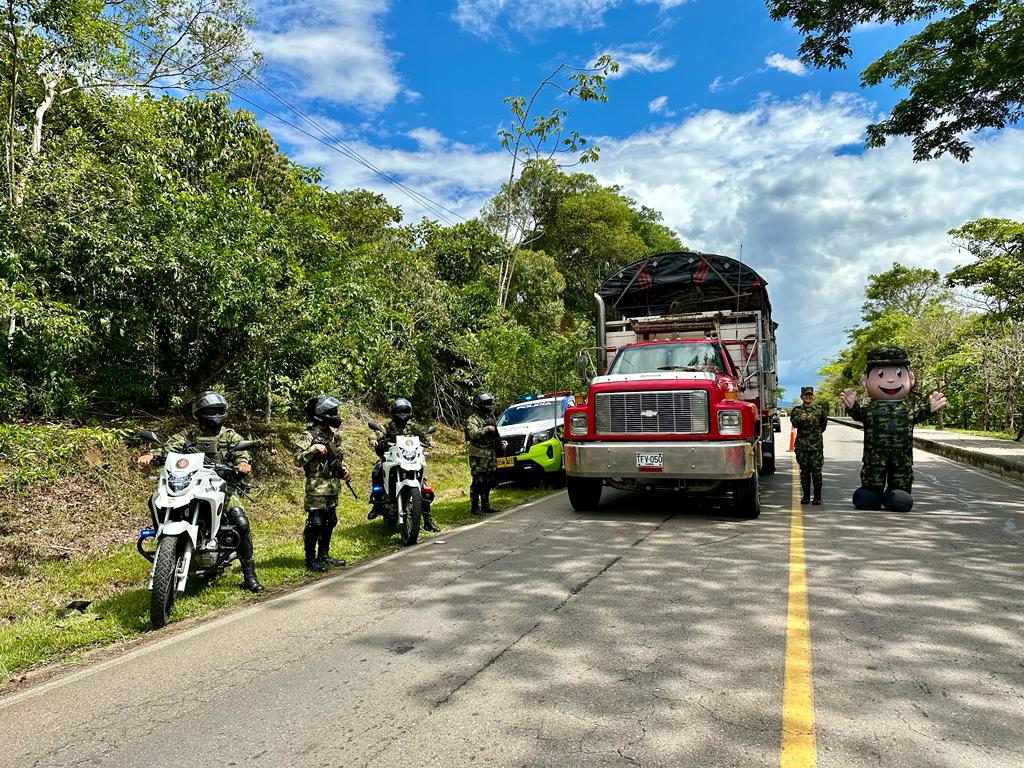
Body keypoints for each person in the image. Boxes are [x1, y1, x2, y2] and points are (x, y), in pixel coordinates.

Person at [137, 391, 263, 593]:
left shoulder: (230, 436)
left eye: (218, 410)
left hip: (222, 489)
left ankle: (250, 576)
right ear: (199, 413)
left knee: (240, 523)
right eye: (210, 410)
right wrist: (151, 455)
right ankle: (166, 546)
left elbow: (242, 454)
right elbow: (167, 450)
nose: (215, 414)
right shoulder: (186, 437)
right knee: (156, 500)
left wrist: (242, 464)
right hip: (189, 486)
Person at [841, 345, 947, 512]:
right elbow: (859, 414)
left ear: (910, 379)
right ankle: (872, 491)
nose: (890, 380)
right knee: (869, 488)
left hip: (901, 459)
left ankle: (897, 492)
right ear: (865, 381)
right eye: (881, 374)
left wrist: (929, 409)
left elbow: (919, 415)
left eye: (898, 374)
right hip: (874, 457)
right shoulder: (871, 410)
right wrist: (853, 406)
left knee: (901, 493)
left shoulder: (907, 411)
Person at [293, 395, 351, 572]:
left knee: (330, 521)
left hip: (332, 486)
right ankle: (310, 559)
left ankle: (324, 555)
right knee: (315, 523)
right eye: (331, 412)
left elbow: (338, 458)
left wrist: (345, 470)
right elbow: (297, 460)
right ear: (320, 414)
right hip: (316, 487)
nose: (335, 415)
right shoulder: (308, 435)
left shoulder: (332, 436)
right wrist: (313, 449)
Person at [367, 398, 440, 532]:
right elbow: (377, 432)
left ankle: (428, 521)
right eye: (398, 411)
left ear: (409, 412)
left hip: (411, 459)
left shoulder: (412, 426)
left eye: (405, 411)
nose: (402, 414)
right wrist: (373, 439)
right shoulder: (388, 426)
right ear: (393, 413)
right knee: (377, 470)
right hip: (392, 458)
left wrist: (430, 440)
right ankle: (376, 505)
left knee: (423, 487)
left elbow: (424, 432)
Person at [464, 391, 505, 516]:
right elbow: (472, 434)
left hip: (490, 454)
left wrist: (501, 445)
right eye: (487, 404)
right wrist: (487, 429)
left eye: (490, 403)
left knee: (489, 480)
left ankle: (486, 505)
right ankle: (475, 507)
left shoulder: (490, 419)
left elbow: (496, 437)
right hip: (478, 455)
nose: (489, 406)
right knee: (478, 480)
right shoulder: (473, 419)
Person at [789, 386, 828, 505]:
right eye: (806, 395)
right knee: (805, 472)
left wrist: (815, 435)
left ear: (813, 396)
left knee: (817, 472)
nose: (808, 397)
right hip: (802, 447)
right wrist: (801, 419)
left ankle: (817, 497)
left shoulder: (819, 410)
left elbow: (823, 425)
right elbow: (794, 424)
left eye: (810, 395)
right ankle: (806, 496)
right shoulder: (796, 410)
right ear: (801, 397)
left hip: (816, 447)